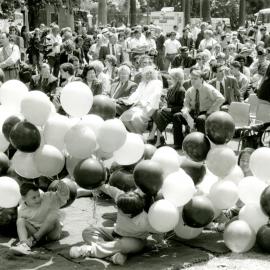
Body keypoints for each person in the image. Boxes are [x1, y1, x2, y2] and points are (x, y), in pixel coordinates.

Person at [69, 184, 160, 265]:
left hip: (134, 241)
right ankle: (111, 255)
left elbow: (161, 228)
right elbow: (111, 189)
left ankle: (87, 250)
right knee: (88, 231)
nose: (116, 208)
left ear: (128, 214)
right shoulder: (123, 199)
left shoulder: (145, 221)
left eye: (118, 209)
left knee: (124, 245)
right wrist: (99, 184)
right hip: (115, 233)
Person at [10, 181, 69, 255]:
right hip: (35, 234)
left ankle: (34, 239)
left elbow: (63, 197)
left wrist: (63, 188)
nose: (38, 199)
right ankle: (24, 245)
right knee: (20, 221)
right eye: (34, 198)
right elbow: (22, 228)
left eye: (38, 195)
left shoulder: (47, 197)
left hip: (51, 234)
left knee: (54, 214)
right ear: (24, 198)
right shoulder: (21, 210)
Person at [174, 69, 225, 137]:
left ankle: (203, 142)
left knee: (200, 119)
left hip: (207, 112)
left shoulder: (208, 88)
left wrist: (210, 110)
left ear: (201, 79)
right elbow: (186, 104)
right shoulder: (189, 91)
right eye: (191, 79)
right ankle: (178, 143)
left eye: (195, 79)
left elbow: (221, 98)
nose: (193, 81)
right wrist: (186, 112)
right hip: (194, 112)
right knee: (177, 116)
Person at [147, 68, 186, 149]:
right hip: (168, 111)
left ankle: (156, 137)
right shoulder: (171, 88)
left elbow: (182, 106)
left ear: (176, 78)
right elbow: (168, 102)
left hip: (175, 112)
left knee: (159, 115)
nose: (169, 80)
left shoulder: (181, 90)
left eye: (170, 78)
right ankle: (158, 138)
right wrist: (165, 106)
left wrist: (170, 109)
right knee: (156, 112)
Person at [120, 66, 162, 134]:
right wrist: (129, 100)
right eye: (146, 74)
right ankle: (137, 134)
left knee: (136, 118)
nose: (148, 75)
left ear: (153, 74)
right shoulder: (142, 83)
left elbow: (156, 94)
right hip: (138, 106)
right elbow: (136, 93)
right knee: (124, 117)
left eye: (150, 73)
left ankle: (139, 134)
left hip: (150, 106)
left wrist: (145, 103)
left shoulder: (157, 82)